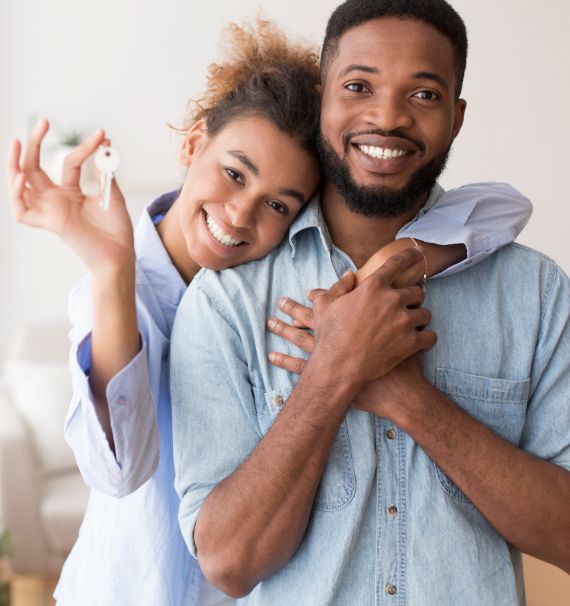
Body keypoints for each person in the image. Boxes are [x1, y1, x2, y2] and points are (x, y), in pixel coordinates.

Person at [8, 16, 529, 606]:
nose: (238, 215)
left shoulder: (276, 280)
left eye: (277, 204)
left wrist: (391, 262)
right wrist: (109, 269)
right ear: (192, 142)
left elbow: (503, 208)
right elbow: (119, 471)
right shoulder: (124, 288)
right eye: (234, 173)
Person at [170, 2, 570, 606]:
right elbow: (228, 563)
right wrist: (334, 370)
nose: (387, 117)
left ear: (457, 118)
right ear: (323, 95)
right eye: (359, 86)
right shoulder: (227, 300)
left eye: (425, 95)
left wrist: (409, 399)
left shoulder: (534, 293)